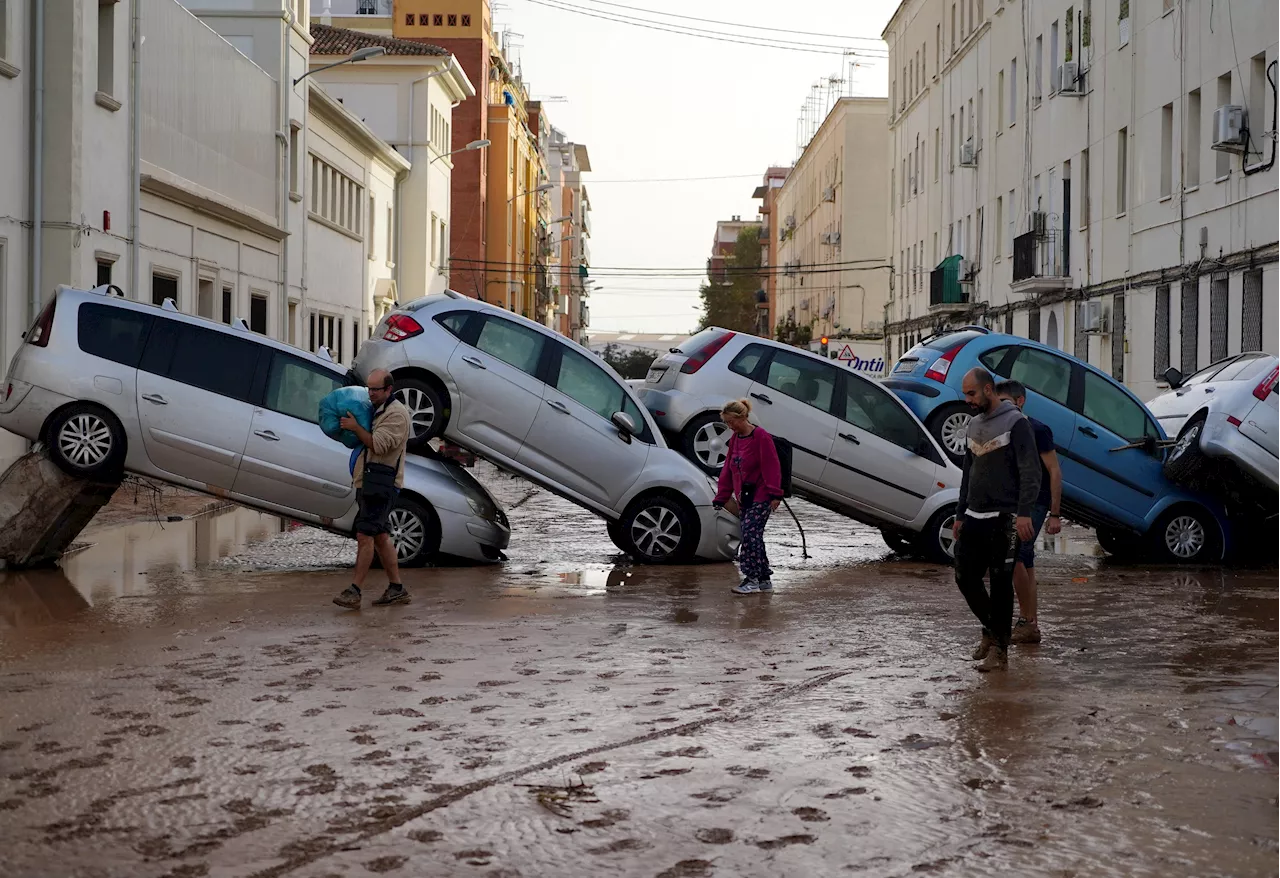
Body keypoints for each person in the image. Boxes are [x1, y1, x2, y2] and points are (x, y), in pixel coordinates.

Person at [953, 368, 1041, 671]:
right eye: (965, 394)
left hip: (1006, 518)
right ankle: (992, 630)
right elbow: (968, 473)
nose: (967, 400)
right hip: (974, 516)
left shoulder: (1017, 423)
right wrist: (959, 514)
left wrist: (1024, 513)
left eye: (972, 394)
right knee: (965, 577)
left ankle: (1000, 651)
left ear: (988, 389)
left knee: (1002, 583)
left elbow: (1032, 471)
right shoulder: (973, 425)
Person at [333, 369, 412, 609]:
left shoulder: (397, 415)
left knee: (364, 534)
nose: (371, 393)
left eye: (375, 389)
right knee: (379, 535)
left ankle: (355, 590)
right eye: (369, 388)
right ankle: (397, 588)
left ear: (389, 389)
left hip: (382, 484)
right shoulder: (378, 409)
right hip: (370, 481)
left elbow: (378, 445)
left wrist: (356, 427)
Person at [996, 380, 1063, 645]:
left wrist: (1055, 514)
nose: (1000, 408)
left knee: (1016, 558)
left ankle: (1024, 620)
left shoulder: (1037, 430)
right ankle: (1031, 625)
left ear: (1019, 401)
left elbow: (1055, 471)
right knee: (1026, 562)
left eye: (1005, 402)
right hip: (1013, 503)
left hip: (1035, 502)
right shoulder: (1001, 428)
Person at [712, 399, 784, 595]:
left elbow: (771, 466)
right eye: (726, 423)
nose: (729, 426)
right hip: (744, 497)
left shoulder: (760, 436)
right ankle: (764, 579)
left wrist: (775, 494)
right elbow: (728, 468)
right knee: (754, 537)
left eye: (731, 422)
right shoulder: (735, 439)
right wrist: (722, 496)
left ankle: (751, 578)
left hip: (761, 495)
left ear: (742, 418)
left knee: (750, 535)